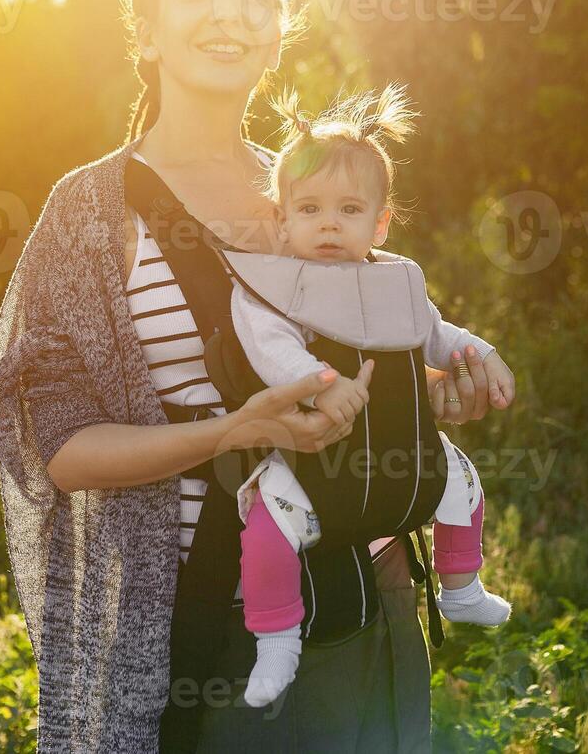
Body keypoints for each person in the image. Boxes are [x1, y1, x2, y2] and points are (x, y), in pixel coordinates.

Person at [0, 0, 503, 753]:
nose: (228, 12)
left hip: (367, 603)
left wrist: (441, 396)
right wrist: (236, 430)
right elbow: (62, 449)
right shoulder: (89, 212)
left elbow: (360, 386)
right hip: (207, 634)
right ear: (146, 32)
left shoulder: (313, 192)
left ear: (277, 34)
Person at [227, 83, 517, 708]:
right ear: (282, 219)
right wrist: (318, 384)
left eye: (349, 209)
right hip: (314, 454)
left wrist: (483, 356)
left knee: (462, 484)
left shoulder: (395, 282)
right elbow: (270, 347)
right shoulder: (272, 288)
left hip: (396, 449)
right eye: (308, 209)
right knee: (266, 530)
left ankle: (461, 584)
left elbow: (438, 335)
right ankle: (276, 640)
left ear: (380, 221)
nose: (328, 223)